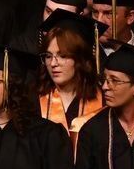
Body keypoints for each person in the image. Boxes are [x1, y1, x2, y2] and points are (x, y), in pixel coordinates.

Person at [37, 12, 104, 154]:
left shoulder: (104, 100)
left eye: (63, 56)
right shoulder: (34, 100)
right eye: (48, 56)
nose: (53, 63)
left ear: (81, 58)